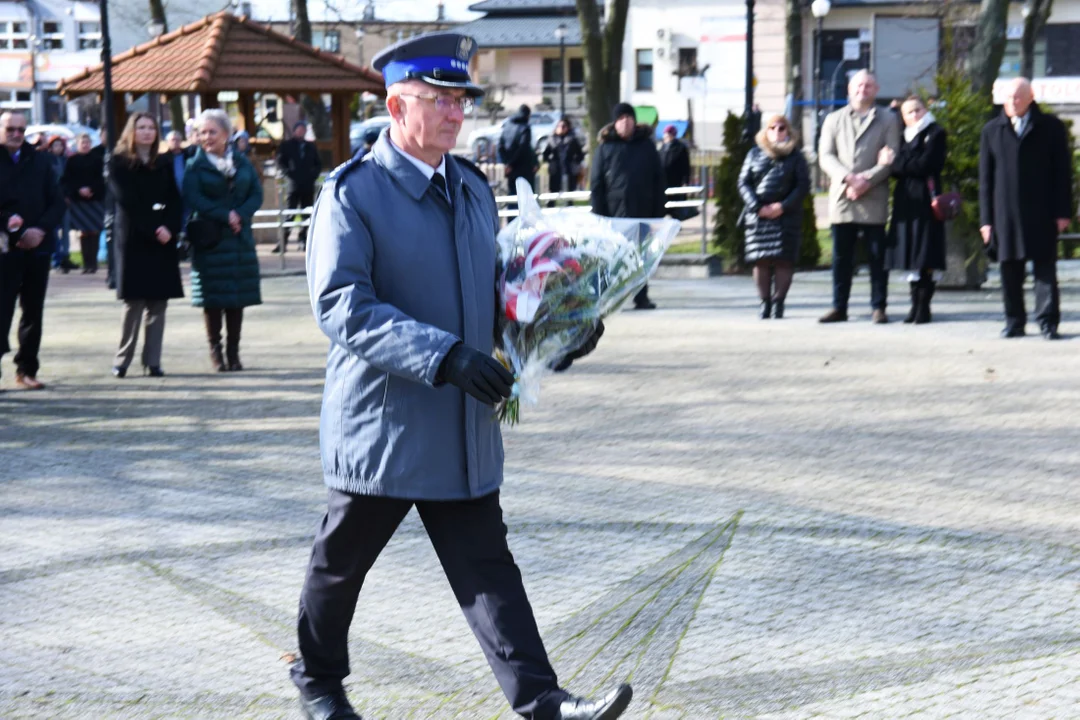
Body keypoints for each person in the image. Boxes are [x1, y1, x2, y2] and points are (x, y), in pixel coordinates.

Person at [295, 31, 624, 720]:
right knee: (339, 568)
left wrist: (557, 330)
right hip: (386, 425)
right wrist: (443, 356)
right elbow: (341, 305)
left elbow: (495, 294)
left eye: (460, 100)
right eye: (438, 99)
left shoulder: (472, 187)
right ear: (397, 105)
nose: (454, 113)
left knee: (488, 572)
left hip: (464, 426)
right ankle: (319, 679)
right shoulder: (353, 194)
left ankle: (542, 702)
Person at [979, 77, 1072, 340]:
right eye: (1008, 98)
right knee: (1009, 270)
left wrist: (1063, 211)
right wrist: (986, 221)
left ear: (1031, 98)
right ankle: (1014, 322)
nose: (1012, 102)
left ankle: (1047, 321)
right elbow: (985, 179)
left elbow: (1062, 174)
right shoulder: (991, 130)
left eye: (1018, 97)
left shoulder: (1051, 127)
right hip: (1004, 213)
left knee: (1045, 269)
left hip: (1041, 210)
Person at [817, 70, 900, 324]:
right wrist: (849, 179)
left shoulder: (888, 119)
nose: (862, 90)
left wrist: (865, 180)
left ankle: (879, 307)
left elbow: (891, 156)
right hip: (843, 196)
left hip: (873, 195)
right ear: (849, 90)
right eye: (858, 85)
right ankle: (839, 306)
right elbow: (826, 156)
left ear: (876, 90)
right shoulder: (833, 119)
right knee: (842, 257)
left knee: (877, 257)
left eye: (868, 85)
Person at [183, 109, 263, 371]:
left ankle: (234, 352)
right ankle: (216, 351)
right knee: (213, 299)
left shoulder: (241, 162)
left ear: (226, 134)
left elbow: (256, 193)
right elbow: (194, 197)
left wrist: (240, 214)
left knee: (236, 298)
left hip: (239, 240)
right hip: (211, 240)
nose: (206, 137)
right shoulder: (195, 165)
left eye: (212, 132)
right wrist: (224, 214)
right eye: (202, 132)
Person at [108, 113, 183, 378]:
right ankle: (122, 360)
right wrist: (154, 228)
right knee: (134, 302)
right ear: (131, 131)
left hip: (163, 238)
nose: (147, 132)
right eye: (141, 127)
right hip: (134, 237)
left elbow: (175, 198)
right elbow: (128, 201)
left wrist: (170, 227)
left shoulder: (163, 162)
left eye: (151, 128)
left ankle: (153, 360)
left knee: (158, 303)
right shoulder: (117, 163)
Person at [0, 111, 65, 390]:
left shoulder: (41, 160)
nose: (16, 134)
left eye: (20, 129)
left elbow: (58, 202)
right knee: (1, 311)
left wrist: (40, 231)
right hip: (4, 248)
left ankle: (26, 369)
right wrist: (7, 223)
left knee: (33, 311)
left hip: (38, 246)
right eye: (10, 129)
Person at [590, 102, 665, 310]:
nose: (626, 122)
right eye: (621, 118)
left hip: (643, 211)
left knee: (641, 257)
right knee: (613, 258)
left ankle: (641, 296)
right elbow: (596, 185)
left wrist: (658, 213)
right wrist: (599, 216)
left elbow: (659, 180)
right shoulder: (605, 148)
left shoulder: (647, 146)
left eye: (629, 117)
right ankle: (609, 297)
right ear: (615, 123)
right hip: (614, 214)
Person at [737, 113, 811, 319]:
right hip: (758, 216)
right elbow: (743, 182)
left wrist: (782, 206)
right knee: (760, 260)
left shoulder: (796, 156)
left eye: (781, 128)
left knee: (784, 260)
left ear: (788, 131)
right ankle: (764, 303)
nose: (777, 132)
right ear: (765, 131)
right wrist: (756, 205)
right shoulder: (754, 153)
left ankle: (779, 303)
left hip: (786, 216)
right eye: (772, 128)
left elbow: (802, 185)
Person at [884, 96, 947, 325]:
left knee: (925, 254)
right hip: (905, 201)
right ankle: (913, 307)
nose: (914, 115)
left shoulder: (936, 132)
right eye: (908, 112)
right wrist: (898, 165)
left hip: (926, 201)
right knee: (910, 256)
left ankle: (924, 308)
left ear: (925, 109)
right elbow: (897, 169)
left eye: (917, 110)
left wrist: (897, 164)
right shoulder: (903, 135)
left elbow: (927, 164)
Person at [275, 121, 321, 253]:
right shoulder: (286, 146)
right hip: (293, 185)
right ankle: (283, 242)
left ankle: (304, 240)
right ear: (294, 130)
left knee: (307, 214)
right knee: (290, 213)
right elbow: (280, 161)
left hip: (308, 185)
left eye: (303, 129)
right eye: (299, 129)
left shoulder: (310, 146)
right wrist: (288, 174)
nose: (301, 132)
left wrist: (312, 175)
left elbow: (318, 163)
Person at [64, 132, 106, 274]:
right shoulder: (72, 160)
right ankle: (86, 263)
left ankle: (93, 263)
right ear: (78, 144)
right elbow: (68, 179)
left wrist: (91, 189)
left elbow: (102, 179)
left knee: (94, 231)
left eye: (87, 142)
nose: (85, 145)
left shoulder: (97, 159)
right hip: (79, 200)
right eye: (83, 142)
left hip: (95, 199)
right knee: (83, 232)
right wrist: (78, 189)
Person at [44, 136, 76, 273]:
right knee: (54, 231)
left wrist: (68, 195)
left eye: (60, 145)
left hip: (65, 200)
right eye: (55, 145)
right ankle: (57, 258)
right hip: (52, 200)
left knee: (66, 230)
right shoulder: (46, 160)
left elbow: (68, 180)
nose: (58, 148)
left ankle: (65, 257)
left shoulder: (66, 161)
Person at [541, 116, 584, 206]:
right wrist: (551, 161)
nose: (561, 128)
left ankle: (569, 210)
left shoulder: (572, 139)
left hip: (569, 170)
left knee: (569, 195)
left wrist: (575, 162)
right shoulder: (551, 139)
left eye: (564, 126)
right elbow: (545, 154)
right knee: (553, 193)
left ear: (568, 127)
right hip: (556, 170)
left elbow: (580, 155)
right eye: (559, 126)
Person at [498, 103, 538, 195]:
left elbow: (500, 146)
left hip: (510, 169)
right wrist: (512, 163)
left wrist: (507, 163)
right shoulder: (525, 128)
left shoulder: (507, 126)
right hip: (524, 168)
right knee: (525, 196)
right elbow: (523, 148)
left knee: (512, 195)